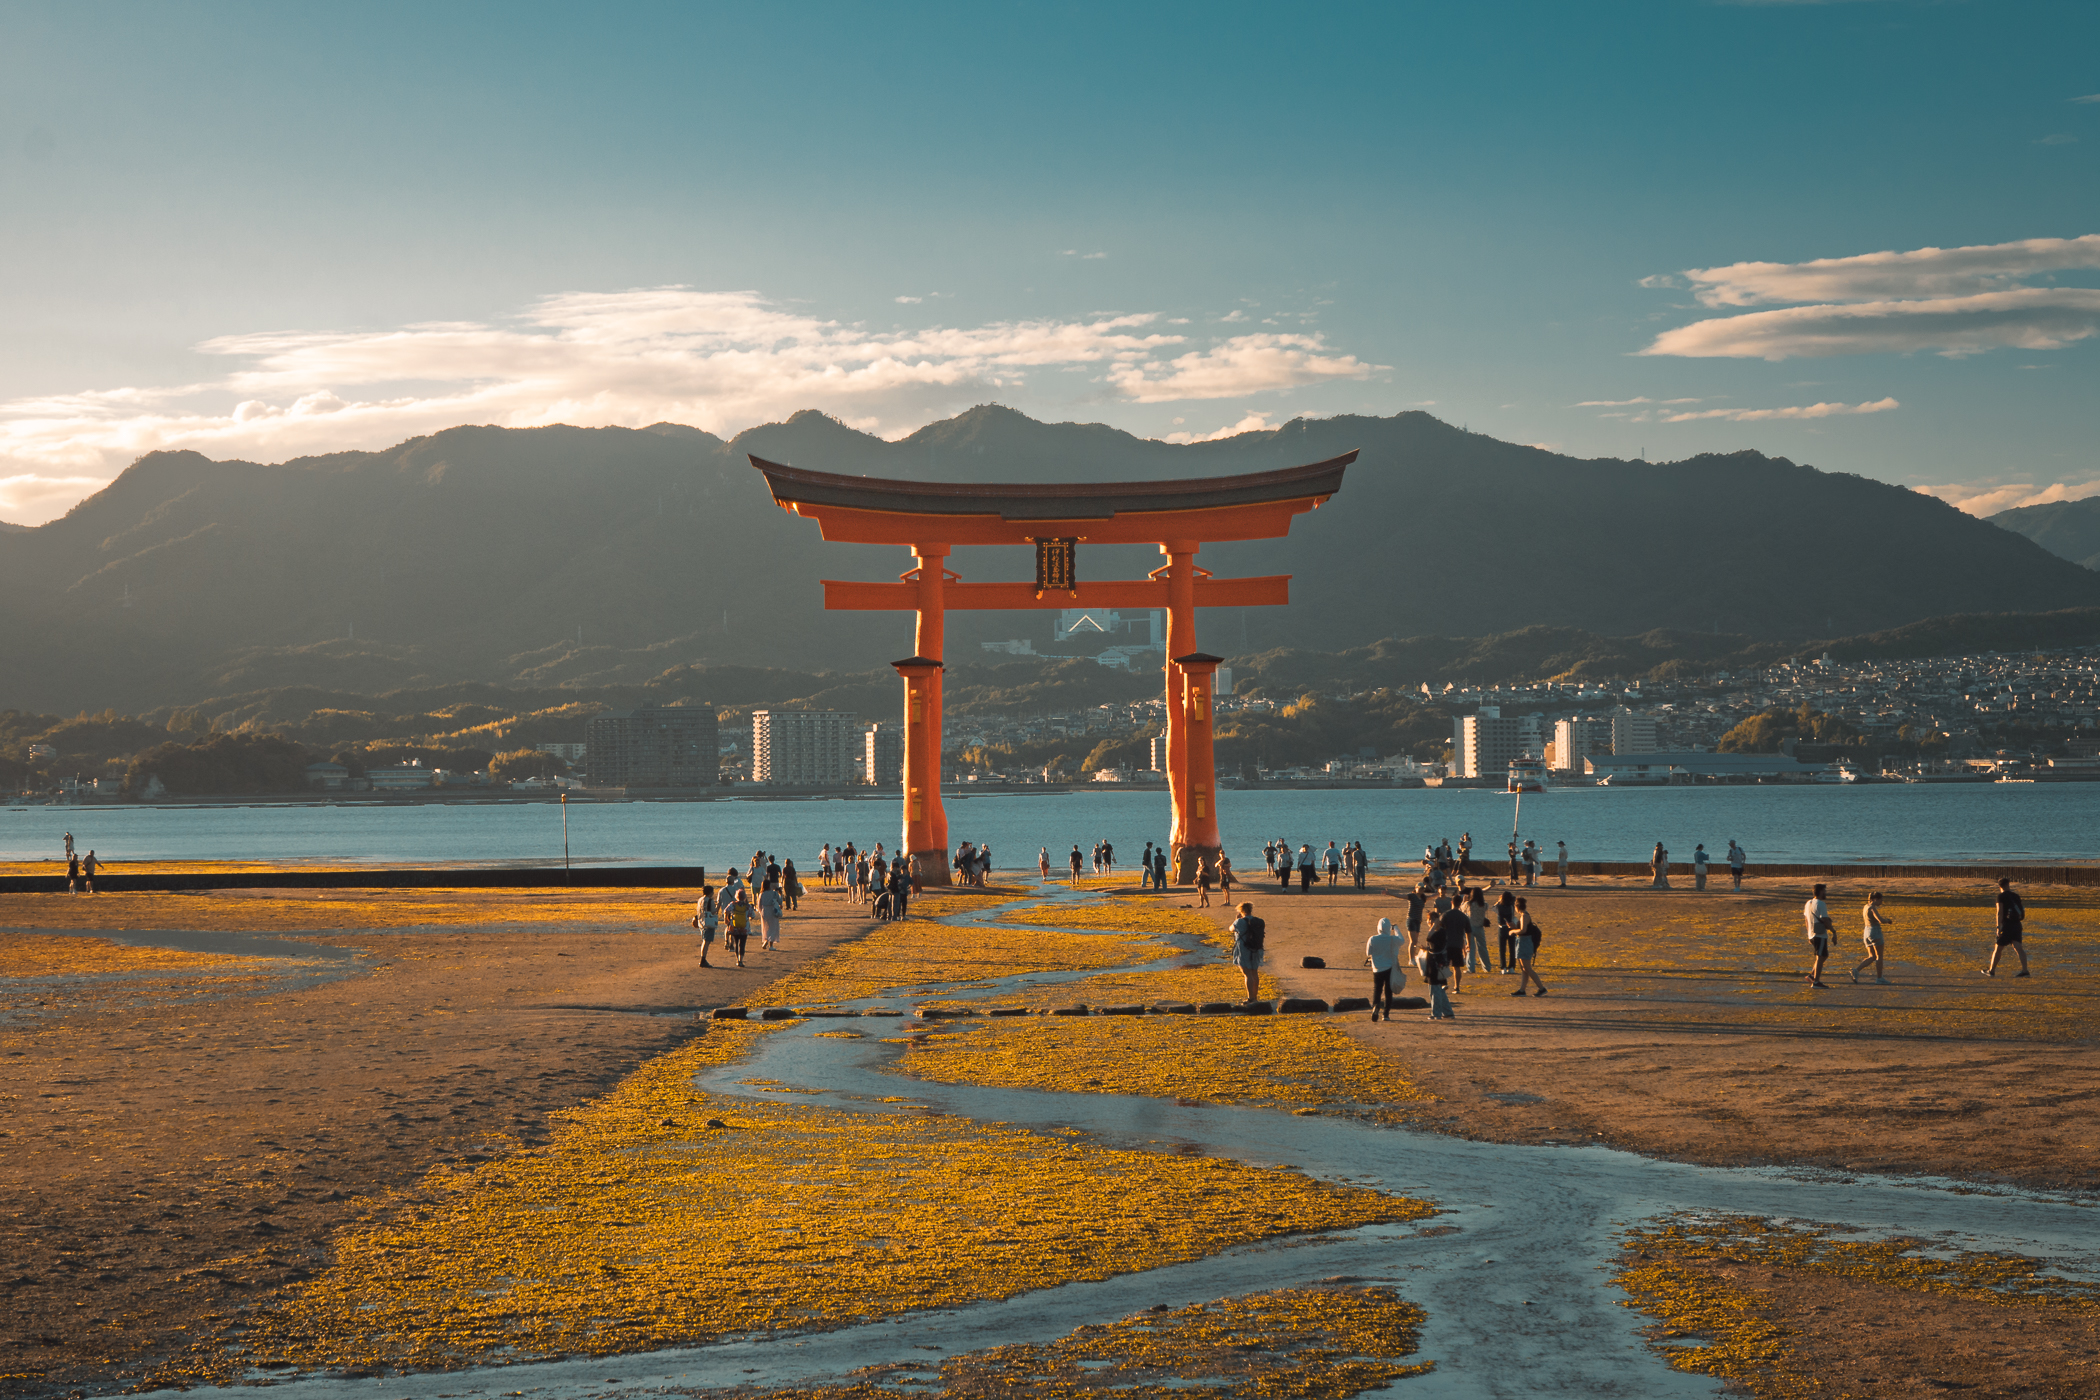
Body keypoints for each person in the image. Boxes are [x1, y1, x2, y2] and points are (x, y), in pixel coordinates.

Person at [1982, 877, 2030, 977]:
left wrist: (1998, 927)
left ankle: (1991, 971)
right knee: (2019, 948)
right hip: (2017, 924)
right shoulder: (2016, 896)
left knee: (1998, 948)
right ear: (2008, 884)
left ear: (2000, 886)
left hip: (2006, 925)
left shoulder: (2001, 897)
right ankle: (2025, 971)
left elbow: (1999, 912)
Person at [1366, 916, 1406, 1021]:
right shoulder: (1392, 939)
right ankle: (1386, 1014)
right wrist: (1396, 929)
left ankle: (1376, 1006)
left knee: (1377, 989)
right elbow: (1402, 940)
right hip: (1389, 968)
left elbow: (1368, 953)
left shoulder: (1372, 939)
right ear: (1388, 928)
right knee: (1388, 991)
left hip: (1377, 968)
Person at [1229, 901, 1266, 1002]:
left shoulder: (1239, 922)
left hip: (1244, 949)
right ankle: (1255, 997)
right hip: (1257, 948)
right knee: (1254, 972)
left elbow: (1231, 928)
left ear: (1241, 911)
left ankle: (1251, 998)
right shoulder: (1258, 921)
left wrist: (1236, 919)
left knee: (1247, 974)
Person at [1511, 896, 1547, 996]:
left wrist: (1513, 931)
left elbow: (1523, 930)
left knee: (1527, 968)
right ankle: (1522, 989)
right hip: (1522, 941)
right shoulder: (1524, 916)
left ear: (1517, 906)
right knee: (1524, 968)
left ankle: (1541, 988)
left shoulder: (1524, 916)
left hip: (1525, 942)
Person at [1852, 890, 1890, 984]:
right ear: (1875, 899)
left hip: (1866, 931)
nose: (1881, 902)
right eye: (1880, 900)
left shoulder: (1865, 907)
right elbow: (1880, 920)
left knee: (1872, 956)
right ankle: (1879, 978)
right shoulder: (1872, 908)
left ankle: (1856, 970)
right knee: (1879, 956)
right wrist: (1888, 921)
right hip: (1875, 931)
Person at [1803, 883, 1834, 988]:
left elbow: (1806, 920)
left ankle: (1812, 975)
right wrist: (1833, 931)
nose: (1825, 893)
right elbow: (1825, 920)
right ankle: (1816, 981)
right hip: (1819, 934)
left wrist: (1808, 934)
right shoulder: (1821, 904)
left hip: (1812, 933)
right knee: (1820, 957)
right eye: (1824, 891)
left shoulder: (1808, 903)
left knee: (1823, 955)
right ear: (1820, 891)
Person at [1465, 886, 1491, 975]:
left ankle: (1471, 968)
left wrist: (1464, 900)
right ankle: (1487, 967)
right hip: (1480, 927)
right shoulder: (1484, 904)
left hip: (1470, 928)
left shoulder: (1468, 904)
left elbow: (1461, 909)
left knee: (1470, 948)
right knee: (1482, 948)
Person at [726, 889, 753, 967]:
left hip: (735, 926)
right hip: (744, 927)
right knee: (742, 944)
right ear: (744, 897)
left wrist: (727, 919)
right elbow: (752, 915)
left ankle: (737, 959)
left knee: (736, 943)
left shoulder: (733, 904)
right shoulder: (748, 906)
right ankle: (741, 960)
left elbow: (726, 910)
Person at [1495, 888, 1518, 972]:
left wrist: (1499, 900)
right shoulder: (1511, 906)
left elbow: (1493, 908)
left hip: (1502, 927)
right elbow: (1514, 898)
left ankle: (1503, 967)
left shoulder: (1499, 907)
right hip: (1511, 927)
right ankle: (1511, 967)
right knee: (1512, 948)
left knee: (1502, 949)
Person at [695, 883, 718, 967]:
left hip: (701, 921)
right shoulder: (710, 901)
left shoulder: (700, 899)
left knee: (704, 940)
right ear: (710, 892)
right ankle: (703, 959)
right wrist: (718, 907)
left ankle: (703, 959)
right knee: (706, 941)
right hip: (708, 922)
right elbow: (713, 911)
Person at [758, 879, 784, 949]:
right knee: (773, 927)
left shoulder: (761, 894)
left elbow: (759, 905)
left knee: (766, 927)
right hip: (772, 910)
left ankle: (765, 941)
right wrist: (781, 894)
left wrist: (761, 912)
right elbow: (780, 902)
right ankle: (771, 945)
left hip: (765, 911)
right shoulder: (774, 893)